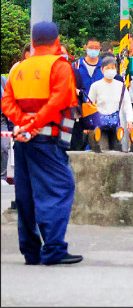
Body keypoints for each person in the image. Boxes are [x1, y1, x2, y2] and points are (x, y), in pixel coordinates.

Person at [1, 22, 82, 265]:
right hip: (47, 140)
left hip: (22, 140)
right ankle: (54, 248)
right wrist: (36, 123)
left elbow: (6, 103)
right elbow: (59, 101)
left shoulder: (19, 69)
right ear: (57, 41)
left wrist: (24, 122)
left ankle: (30, 251)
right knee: (59, 189)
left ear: (33, 43)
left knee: (25, 195)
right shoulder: (60, 66)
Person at [88, 56, 133, 151]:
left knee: (118, 151)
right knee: (103, 150)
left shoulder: (121, 86)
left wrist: (130, 120)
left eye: (113, 68)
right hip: (100, 123)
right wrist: (88, 122)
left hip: (117, 123)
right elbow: (90, 104)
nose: (110, 70)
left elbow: (127, 104)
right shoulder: (96, 86)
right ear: (102, 70)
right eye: (107, 68)